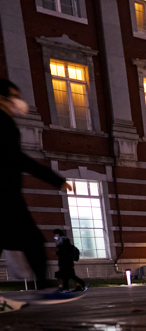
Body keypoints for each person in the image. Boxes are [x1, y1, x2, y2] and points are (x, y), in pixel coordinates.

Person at [0, 78, 71, 293]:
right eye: (13, 96)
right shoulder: (2, 123)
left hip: (7, 195)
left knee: (31, 242)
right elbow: (16, 158)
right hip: (5, 196)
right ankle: (44, 290)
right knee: (33, 242)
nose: (18, 101)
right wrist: (55, 179)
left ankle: (43, 289)